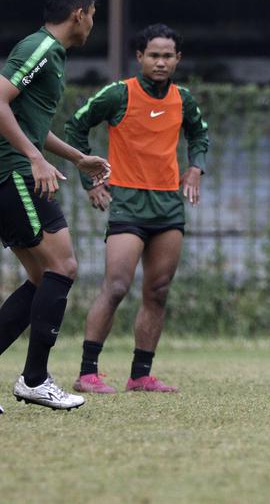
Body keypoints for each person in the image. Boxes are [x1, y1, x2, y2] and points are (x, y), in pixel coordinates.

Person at [0, 0, 110, 413]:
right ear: (79, 13)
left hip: (7, 175)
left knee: (44, 277)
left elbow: (32, 124)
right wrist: (34, 160)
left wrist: (77, 157)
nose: (94, 22)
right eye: (93, 14)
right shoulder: (40, 49)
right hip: (12, 174)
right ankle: (34, 379)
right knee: (64, 266)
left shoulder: (50, 54)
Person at [65, 24, 210, 394]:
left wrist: (195, 167)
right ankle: (87, 373)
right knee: (115, 287)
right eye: (154, 55)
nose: (161, 62)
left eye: (168, 56)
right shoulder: (118, 94)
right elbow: (75, 127)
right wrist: (92, 180)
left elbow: (199, 134)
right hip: (127, 205)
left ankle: (141, 375)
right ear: (140, 57)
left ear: (178, 59)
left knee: (158, 290)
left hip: (168, 207)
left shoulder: (183, 99)